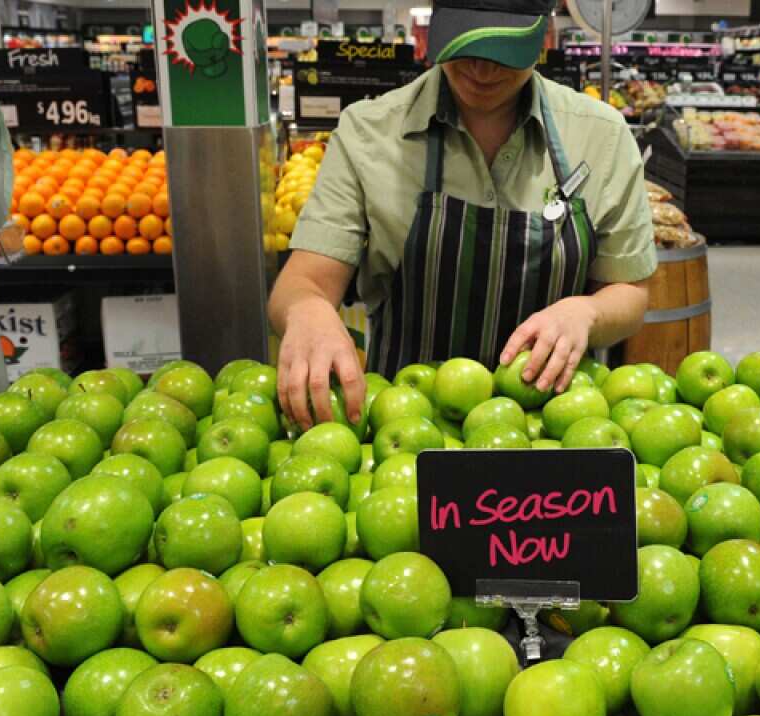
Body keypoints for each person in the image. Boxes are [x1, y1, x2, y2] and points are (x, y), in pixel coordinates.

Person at [270, 0, 657, 429]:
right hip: (405, 424)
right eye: (466, 43)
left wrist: (587, 312)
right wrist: (306, 310)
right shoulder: (368, 132)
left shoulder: (600, 135)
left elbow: (629, 291)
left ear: (541, 33)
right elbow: (302, 281)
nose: (483, 70)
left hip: (553, 427)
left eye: (503, 51)